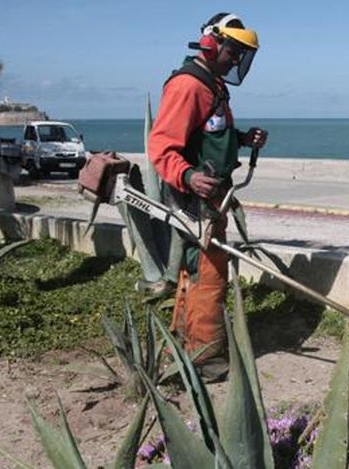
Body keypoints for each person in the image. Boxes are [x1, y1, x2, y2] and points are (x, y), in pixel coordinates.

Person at [147, 12, 267, 382]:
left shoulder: (212, 85)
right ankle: (204, 359)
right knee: (209, 274)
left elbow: (209, 134)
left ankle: (182, 345)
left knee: (195, 271)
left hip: (213, 195)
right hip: (195, 198)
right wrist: (186, 175)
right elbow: (162, 146)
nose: (236, 60)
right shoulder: (189, 86)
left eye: (241, 55)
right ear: (212, 43)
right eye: (233, 51)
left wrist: (243, 138)